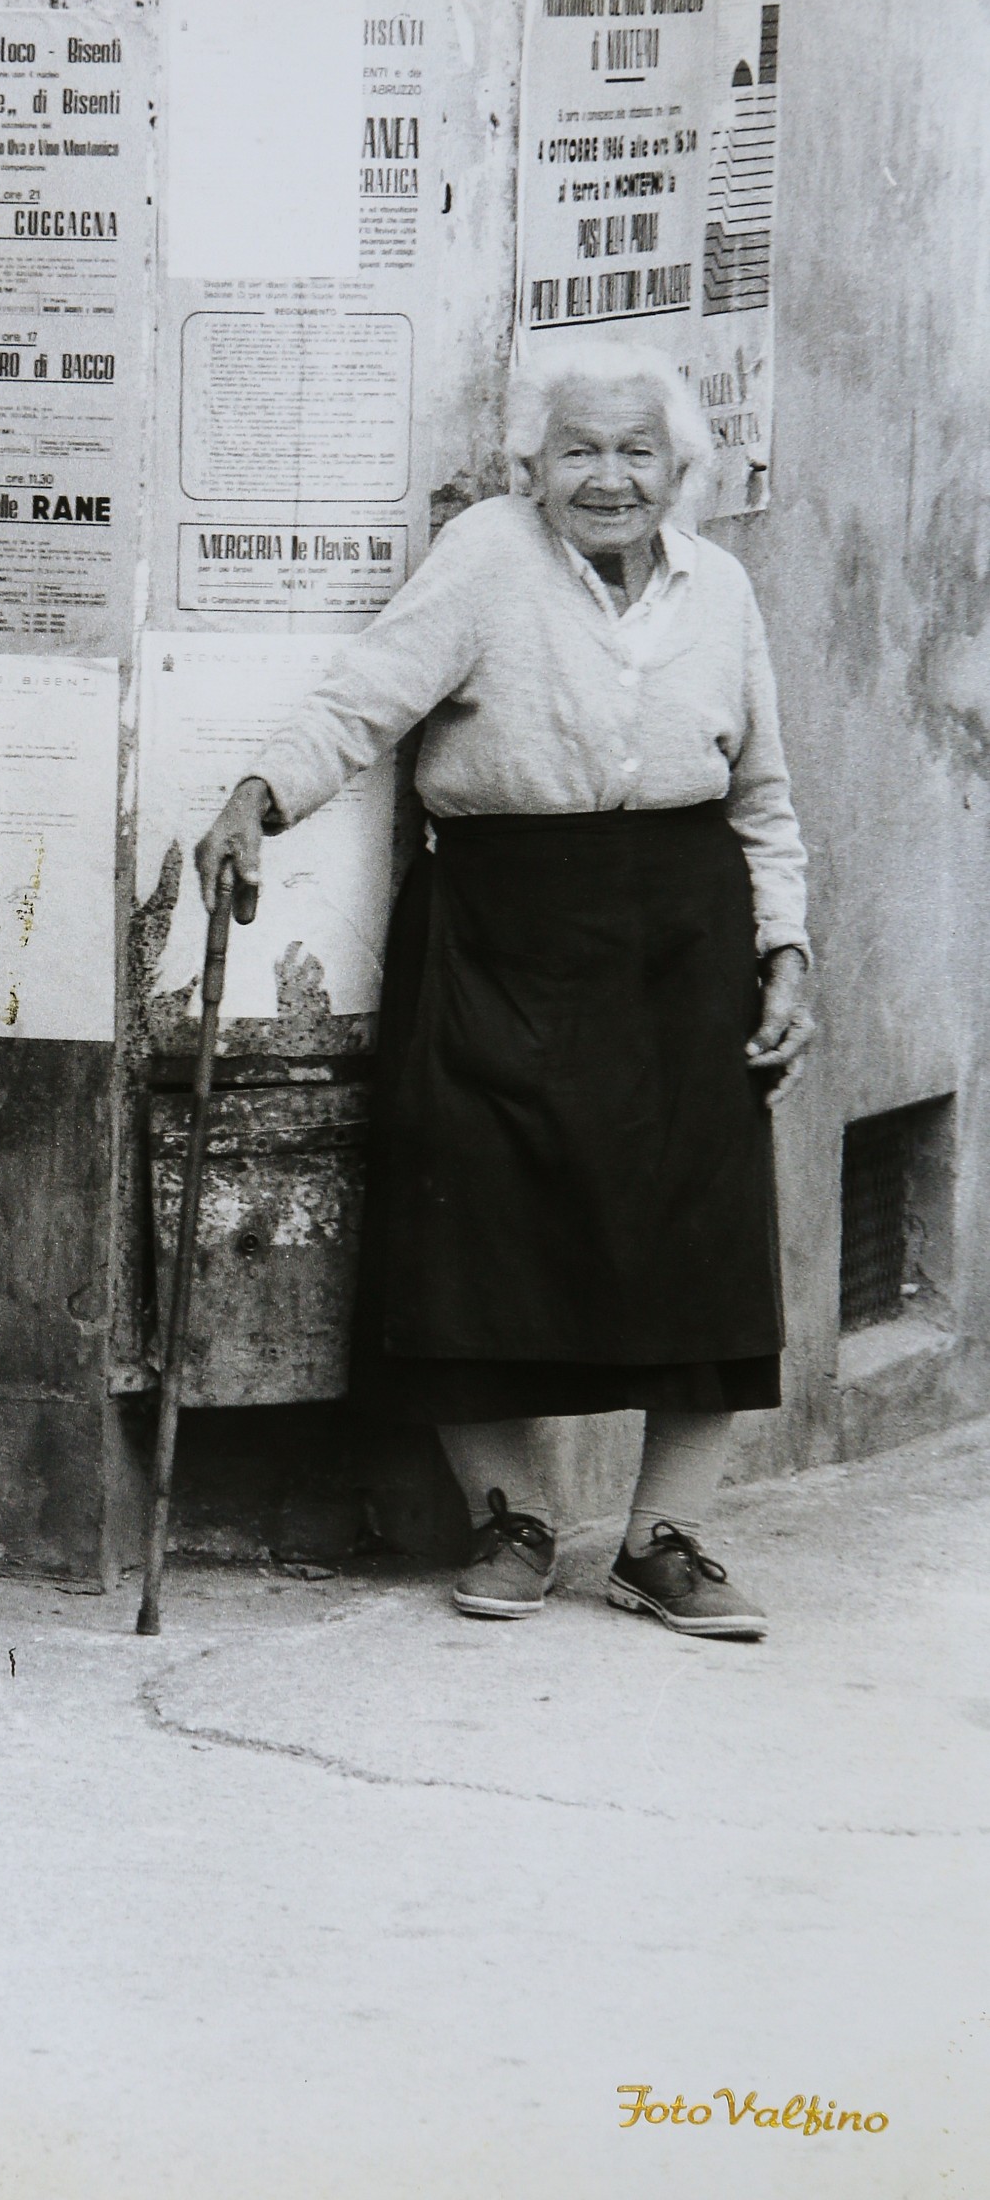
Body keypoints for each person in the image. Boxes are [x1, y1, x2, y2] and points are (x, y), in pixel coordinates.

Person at [196, 338, 814, 1640]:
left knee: (699, 1233)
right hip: (500, 924)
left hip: (683, 933)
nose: (609, 477)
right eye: (579, 450)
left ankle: (664, 1539)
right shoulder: (486, 557)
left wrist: (788, 956)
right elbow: (361, 705)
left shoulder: (723, 592)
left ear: (681, 468)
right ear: (532, 465)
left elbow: (763, 799)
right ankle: (512, 1519)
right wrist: (259, 798)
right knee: (469, 1213)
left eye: (637, 451)